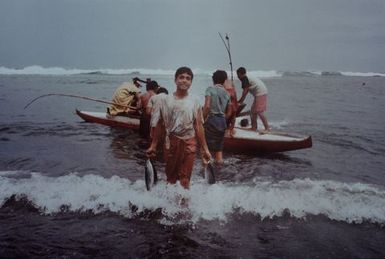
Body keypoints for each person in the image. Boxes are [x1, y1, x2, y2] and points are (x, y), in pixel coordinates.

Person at [146, 66, 212, 189]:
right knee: (171, 178)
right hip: (170, 142)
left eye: (188, 78)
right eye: (181, 77)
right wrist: (154, 145)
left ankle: (184, 206)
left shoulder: (195, 100)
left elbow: (198, 125)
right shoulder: (164, 100)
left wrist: (205, 149)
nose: (184, 80)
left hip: (190, 142)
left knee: (185, 179)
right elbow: (159, 124)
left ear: (191, 82)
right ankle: (170, 206)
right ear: (175, 80)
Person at [203, 70, 231, 164]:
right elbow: (230, 111)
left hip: (212, 119)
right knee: (219, 150)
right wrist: (223, 118)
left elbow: (207, 106)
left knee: (206, 148)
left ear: (213, 79)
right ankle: (220, 174)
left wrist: (202, 120)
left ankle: (206, 173)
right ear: (224, 81)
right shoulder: (227, 93)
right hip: (222, 121)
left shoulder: (210, 89)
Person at [237, 67, 270, 132]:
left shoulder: (244, 78)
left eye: (238, 75)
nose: (238, 77)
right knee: (253, 111)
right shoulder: (246, 77)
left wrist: (240, 101)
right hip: (260, 93)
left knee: (260, 112)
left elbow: (245, 91)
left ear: (240, 74)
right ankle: (254, 127)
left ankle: (267, 128)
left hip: (261, 93)